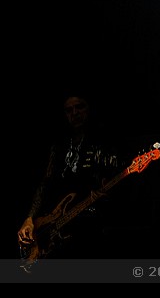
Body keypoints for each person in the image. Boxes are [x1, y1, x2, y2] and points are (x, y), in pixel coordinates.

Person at [17, 94, 124, 265]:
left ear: (90, 108)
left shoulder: (104, 142)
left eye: (79, 106)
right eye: (69, 110)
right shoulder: (59, 145)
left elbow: (115, 183)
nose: (75, 113)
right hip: (54, 228)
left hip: (88, 229)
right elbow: (45, 184)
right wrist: (29, 218)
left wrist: (107, 194)